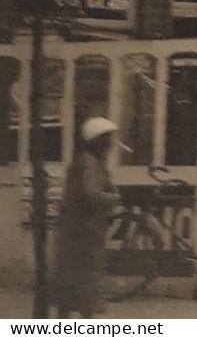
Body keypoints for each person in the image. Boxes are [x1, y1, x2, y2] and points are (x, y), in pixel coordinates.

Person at [52, 117, 121, 317]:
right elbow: (91, 193)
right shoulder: (88, 163)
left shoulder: (89, 162)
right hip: (81, 234)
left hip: (82, 232)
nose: (110, 145)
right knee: (84, 285)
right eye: (106, 139)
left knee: (72, 286)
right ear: (97, 141)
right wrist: (113, 198)